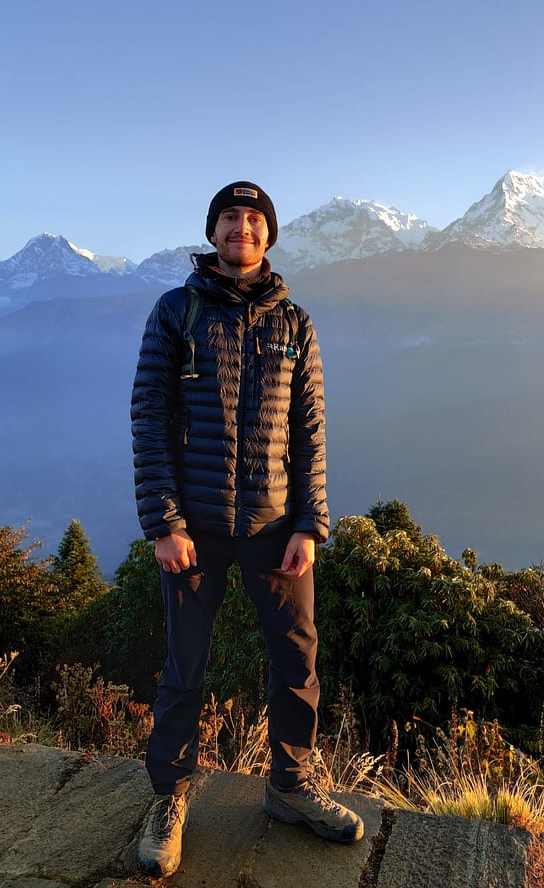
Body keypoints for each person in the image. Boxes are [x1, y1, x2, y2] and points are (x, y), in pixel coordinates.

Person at [130, 180, 364, 878]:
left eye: (253, 219)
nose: (242, 229)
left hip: (274, 527)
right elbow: (148, 416)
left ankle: (290, 787)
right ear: (214, 231)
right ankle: (169, 799)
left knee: (296, 664)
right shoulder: (178, 311)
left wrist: (311, 523)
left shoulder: (295, 321)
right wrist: (163, 522)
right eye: (230, 218)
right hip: (193, 530)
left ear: (269, 234)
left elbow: (311, 430)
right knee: (184, 669)